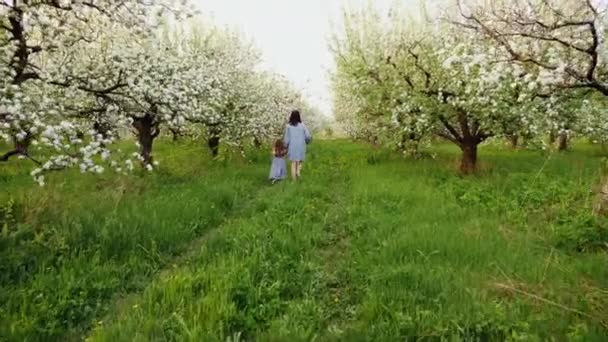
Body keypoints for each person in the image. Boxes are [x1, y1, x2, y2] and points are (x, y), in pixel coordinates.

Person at [283, 110, 312, 181]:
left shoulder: (288, 126)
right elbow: (308, 136)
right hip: (301, 146)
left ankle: (294, 181)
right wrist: (308, 141)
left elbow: (287, 139)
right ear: (299, 116)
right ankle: (298, 171)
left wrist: (285, 146)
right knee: (300, 160)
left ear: (291, 116)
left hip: (292, 147)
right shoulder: (302, 125)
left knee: (293, 163)